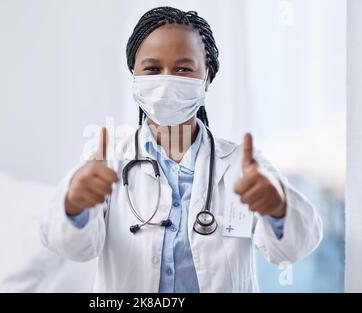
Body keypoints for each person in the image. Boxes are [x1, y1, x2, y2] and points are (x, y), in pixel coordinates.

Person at [40, 6, 322, 292]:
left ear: (207, 77)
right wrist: (74, 206)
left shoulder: (241, 165)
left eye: (183, 69)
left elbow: (292, 249)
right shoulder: (108, 161)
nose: (166, 81)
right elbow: (72, 248)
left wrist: (278, 209)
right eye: (152, 69)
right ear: (134, 76)